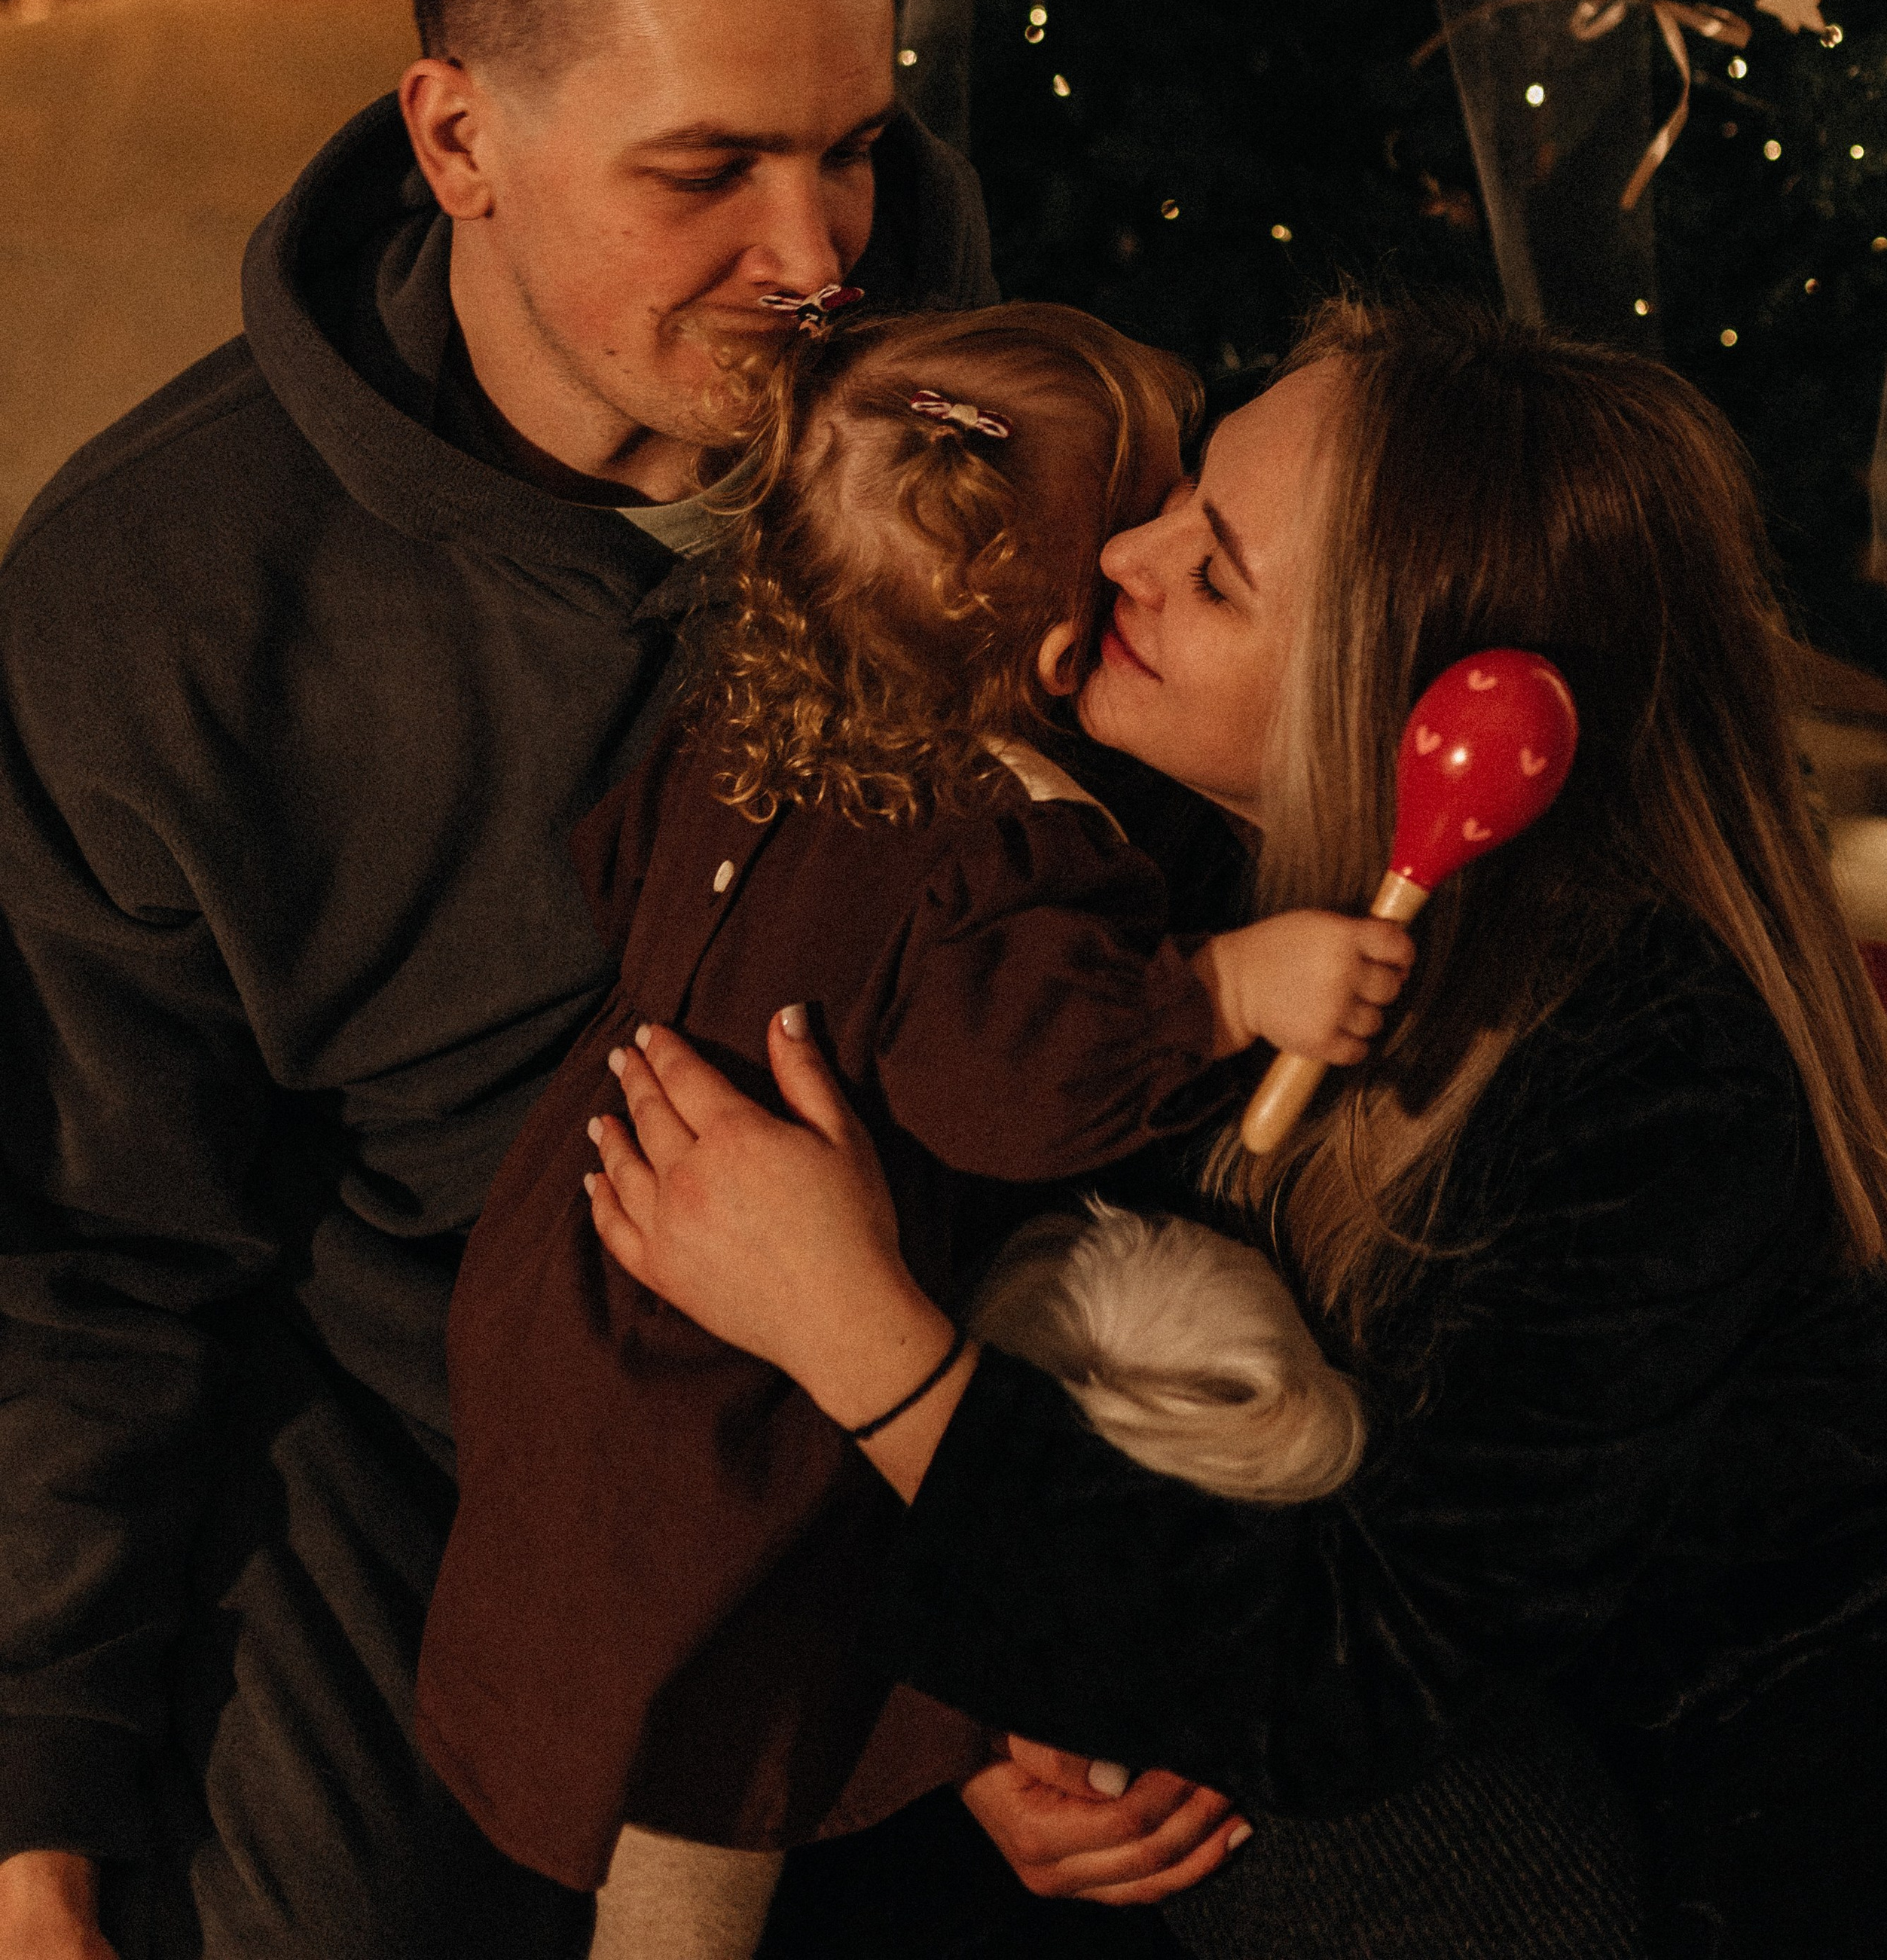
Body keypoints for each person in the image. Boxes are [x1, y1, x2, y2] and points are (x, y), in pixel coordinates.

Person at [580, 294, 1887, 1959]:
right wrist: (994, 1718)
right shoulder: (1142, 868)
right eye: (1177, 501)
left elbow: (1360, 1681)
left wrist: (857, 1337)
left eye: (1211, 572)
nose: (1121, 555)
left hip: (1669, 1846)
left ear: (1418, 711)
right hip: (1274, 1704)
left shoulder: (1661, 1077)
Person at [0, 0, 999, 1960]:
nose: (819, 252)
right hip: (409, 1411)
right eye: (707, 170)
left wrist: (1069, 1570)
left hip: (924, 1357)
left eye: (850, 148)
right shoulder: (153, 596)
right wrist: (31, 1823)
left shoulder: (992, 434)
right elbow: (92, 1254)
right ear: (456, 135)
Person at [417, 303, 1407, 1960]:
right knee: (716, 1759)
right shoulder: (1006, 845)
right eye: (1141, 528)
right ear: (1043, 653)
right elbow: (1015, 1091)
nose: (1157, 553)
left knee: (555, 1650)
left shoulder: (745, 715)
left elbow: (612, 867)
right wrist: (1225, 988)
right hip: (733, 1407)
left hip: (563, 1290)